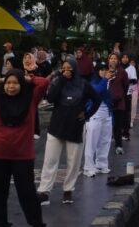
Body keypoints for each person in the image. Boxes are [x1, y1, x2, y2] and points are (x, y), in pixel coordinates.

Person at [0, 70, 50, 227]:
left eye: (15, 83)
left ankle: (37, 223)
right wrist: (0, 79)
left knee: (27, 193)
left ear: (22, 84)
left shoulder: (31, 99)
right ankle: (2, 223)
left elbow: (44, 83)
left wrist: (29, 78)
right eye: (8, 83)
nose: (11, 86)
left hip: (23, 157)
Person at [37, 59, 101, 205]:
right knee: (50, 160)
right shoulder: (58, 82)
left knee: (73, 161)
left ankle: (68, 190)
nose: (66, 70)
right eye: (64, 68)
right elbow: (50, 98)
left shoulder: (83, 84)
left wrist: (87, 114)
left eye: (69, 68)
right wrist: (61, 80)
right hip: (56, 126)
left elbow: (97, 99)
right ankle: (44, 191)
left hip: (75, 126)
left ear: (75, 69)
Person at [84, 61, 115, 177]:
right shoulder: (93, 82)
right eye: (102, 70)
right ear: (97, 71)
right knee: (92, 142)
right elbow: (97, 91)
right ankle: (88, 167)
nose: (104, 72)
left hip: (107, 114)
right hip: (95, 114)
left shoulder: (109, 81)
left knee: (105, 140)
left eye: (105, 69)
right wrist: (105, 79)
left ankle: (101, 164)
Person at [103, 54, 130, 154]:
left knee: (117, 125)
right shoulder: (104, 71)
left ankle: (118, 145)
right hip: (106, 103)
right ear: (108, 60)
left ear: (118, 61)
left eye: (115, 59)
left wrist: (119, 95)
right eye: (111, 58)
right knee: (105, 125)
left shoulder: (122, 72)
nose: (113, 60)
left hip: (119, 102)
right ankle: (104, 145)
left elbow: (126, 86)